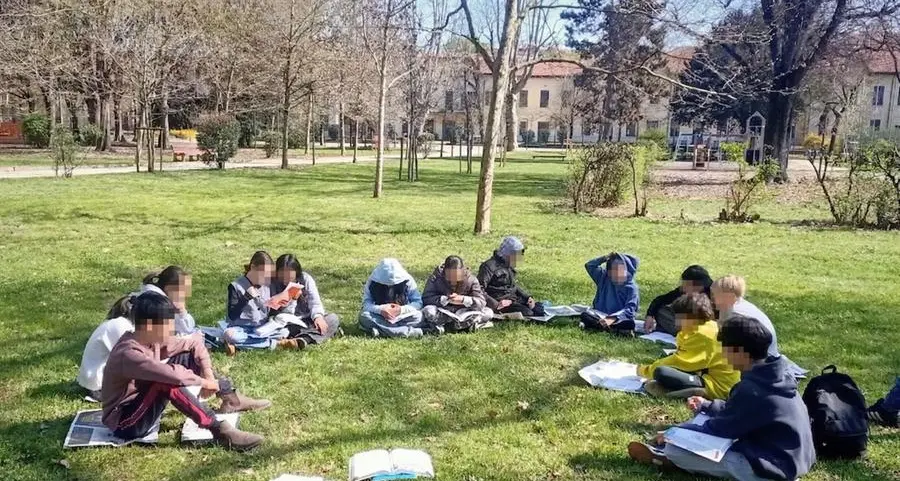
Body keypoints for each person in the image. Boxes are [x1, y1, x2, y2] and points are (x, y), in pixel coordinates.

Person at [628, 314, 816, 481]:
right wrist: (708, 406)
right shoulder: (774, 374)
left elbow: (719, 430)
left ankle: (668, 458)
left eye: (725, 349)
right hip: (793, 458)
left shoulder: (753, 388)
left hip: (772, 467)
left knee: (676, 449)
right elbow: (741, 412)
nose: (724, 355)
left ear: (740, 352)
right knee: (702, 418)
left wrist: (674, 433)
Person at [102, 292, 271, 451]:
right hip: (125, 423)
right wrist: (205, 383)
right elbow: (172, 375)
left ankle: (231, 400)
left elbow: (193, 343)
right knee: (164, 382)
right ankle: (218, 430)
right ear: (149, 326)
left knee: (187, 356)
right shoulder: (128, 353)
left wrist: (208, 373)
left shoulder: (150, 340)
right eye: (167, 324)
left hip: (142, 404)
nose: (171, 329)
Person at [638, 293, 739, 400]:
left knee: (661, 372)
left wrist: (644, 370)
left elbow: (680, 361)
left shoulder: (702, 335)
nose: (676, 320)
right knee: (666, 366)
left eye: (679, 317)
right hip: (705, 373)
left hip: (717, 386)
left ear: (689, 317)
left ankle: (686, 393)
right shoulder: (706, 326)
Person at [711, 275, 807, 378]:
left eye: (714, 294)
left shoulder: (735, 314)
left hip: (760, 357)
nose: (712, 299)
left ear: (727, 295)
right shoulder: (741, 305)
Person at [269, 253, 342, 350]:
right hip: (287, 323)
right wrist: (292, 300)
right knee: (280, 331)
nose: (286, 278)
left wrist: (318, 317)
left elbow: (315, 302)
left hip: (307, 319)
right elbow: (282, 314)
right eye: (282, 274)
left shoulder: (306, 279)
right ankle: (317, 335)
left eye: (289, 275)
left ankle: (303, 340)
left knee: (332, 319)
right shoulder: (273, 284)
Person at [221, 251, 282, 355]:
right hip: (241, 328)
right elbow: (232, 315)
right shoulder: (236, 286)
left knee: (284, 332)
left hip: (263, 328)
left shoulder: (267, 286)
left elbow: (270, 312)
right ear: (253, 267)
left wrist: (278, 304)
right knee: (230, 335)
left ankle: (238, 346)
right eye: (263, 273)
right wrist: (246, 298)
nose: (266, 277)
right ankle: (274, 343)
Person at [76, 296, 135, 400]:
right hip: (97, 385)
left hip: (92, 378)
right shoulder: (122, 326)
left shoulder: (115, 323)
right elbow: (130, 356)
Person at [358, 258, 431, 338]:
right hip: (381, 316)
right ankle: (415, 332)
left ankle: (382, 330)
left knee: (419, 316)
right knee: (364, 316)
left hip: (403, 316)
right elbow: (366, 304)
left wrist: (401, 310)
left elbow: (418, 302)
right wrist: (380, 310)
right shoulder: (372, 281)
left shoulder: (407, 280)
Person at [477, 236, 545, 319]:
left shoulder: (508, 266)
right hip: (500, 303)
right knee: (527, 313)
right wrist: (496, 304)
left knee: (539, 309)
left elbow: (513, 286)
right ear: (509, 253)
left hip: (513, 300)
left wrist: (527, 297)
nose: (519, 258)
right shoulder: (488, 267)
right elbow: (479, 289)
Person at [422, 255, 493, 332]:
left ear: (463, 271)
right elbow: (426, 298)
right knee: (428, 310)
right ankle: (466, 325)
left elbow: (482, 302)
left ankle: (447, 326)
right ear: (444, 272)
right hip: (444, 312)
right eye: (450, 279)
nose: (454, 282)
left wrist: (464, 300)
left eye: (457, 279)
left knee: (488, 312)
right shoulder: (435, 278)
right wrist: (444, 299)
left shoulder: (471, 279)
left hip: (465, 312)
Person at [644, 265, 713, 335]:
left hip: (707, 326)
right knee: (661, 311)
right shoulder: (684, 290)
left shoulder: (714, 292)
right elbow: (660, 300)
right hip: (685, 321)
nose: (684, 288)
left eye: (687, 285)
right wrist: (650, 315)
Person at [580, 252, 639, 332]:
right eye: (613, 270)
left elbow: (630, 308)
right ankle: (607, 327)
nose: (616, 273)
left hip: (618, 318)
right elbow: (590, 265)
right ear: (609, 271)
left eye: (620, 270)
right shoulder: (603, 277)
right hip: (600, 315)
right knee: (586, 315)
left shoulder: (631, 288)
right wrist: (604, 258)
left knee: (629, 324)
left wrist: (612, 318)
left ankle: (602, 326)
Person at [138, 266, 197, 336]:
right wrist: (182, 311)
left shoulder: (149, 294)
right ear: (169, 287)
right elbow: (186, 330)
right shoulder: (160, 304)